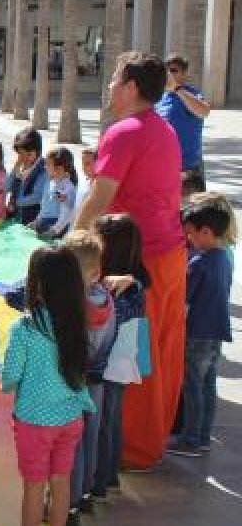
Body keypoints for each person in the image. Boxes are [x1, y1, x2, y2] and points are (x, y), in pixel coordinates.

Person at [72, 52, 184, 470]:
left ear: (132, 86)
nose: (109, 86)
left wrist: (73, 242)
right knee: (164, 350)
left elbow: (99, 198)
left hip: (140, 260)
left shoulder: (124, 132)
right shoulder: (164, 129)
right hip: (170, 254)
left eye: (115, 79)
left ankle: (132, 449)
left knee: (132, 356)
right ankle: (151, 439)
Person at [1, 246, 95, 526]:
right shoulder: (78, 323)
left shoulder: (25, 328)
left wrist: (8, 382)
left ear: (37, 283)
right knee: (61, 481)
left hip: (34, 421)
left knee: (34, 487)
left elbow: (10, 377)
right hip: (71, 417)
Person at [167, 199, 235, 457]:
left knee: (193, 386)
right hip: (216, 332)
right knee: (207, 385)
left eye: (191, 234)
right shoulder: (224, 259)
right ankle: (203, 435)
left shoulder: (198, 264)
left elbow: (184, 300)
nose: (189, 240)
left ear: (206, 232)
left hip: (196, 333)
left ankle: (191, 439)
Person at [90, 214, 149, 498]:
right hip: (124, 359)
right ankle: (108, 475)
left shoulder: (120, 285)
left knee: (104, 421)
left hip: (112, 361)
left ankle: (100, 480)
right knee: (111, 419)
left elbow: (109, 319)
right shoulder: (136, 277)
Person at [62, 231, 115, 522]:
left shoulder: (72, 305)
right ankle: (85, 493)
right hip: (98, 379)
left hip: (75, 381)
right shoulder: (108, 299)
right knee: (90, 437)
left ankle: (68, 501)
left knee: (72, 443)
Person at [156, 54, 211, 194]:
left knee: (192, 212)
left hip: (188, 168)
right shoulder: (159, 97)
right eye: (166, 70)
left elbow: (204, 111)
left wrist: (177, 89)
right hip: (163, 167)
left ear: (185, 74)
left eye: (174, 70)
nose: (169, 74)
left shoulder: (193, 94)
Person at [30, 147, 78, 238]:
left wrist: (54, 230)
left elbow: (66, 214)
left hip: (54, 228)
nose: (45, 167)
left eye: (48, 164)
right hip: (43, 224)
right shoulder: (50, 183)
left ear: (59, 168)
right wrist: (36, 221)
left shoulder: (67, 188)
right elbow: (44, 206)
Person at [8, 127, 48, 225]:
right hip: (16, 217)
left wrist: (15, 203)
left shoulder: (44, 169)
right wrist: (16, 166)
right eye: (21, 154)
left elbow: (37, 196)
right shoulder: (20, 167)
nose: (24, 158)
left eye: (28, 154)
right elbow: (6, 187)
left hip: (32, 220)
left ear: (36, 152)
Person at [73, 149, 97, 215]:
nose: (83, 167)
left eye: (87, 163)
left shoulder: (100, 186)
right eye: (83, 163)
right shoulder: (83, 183)